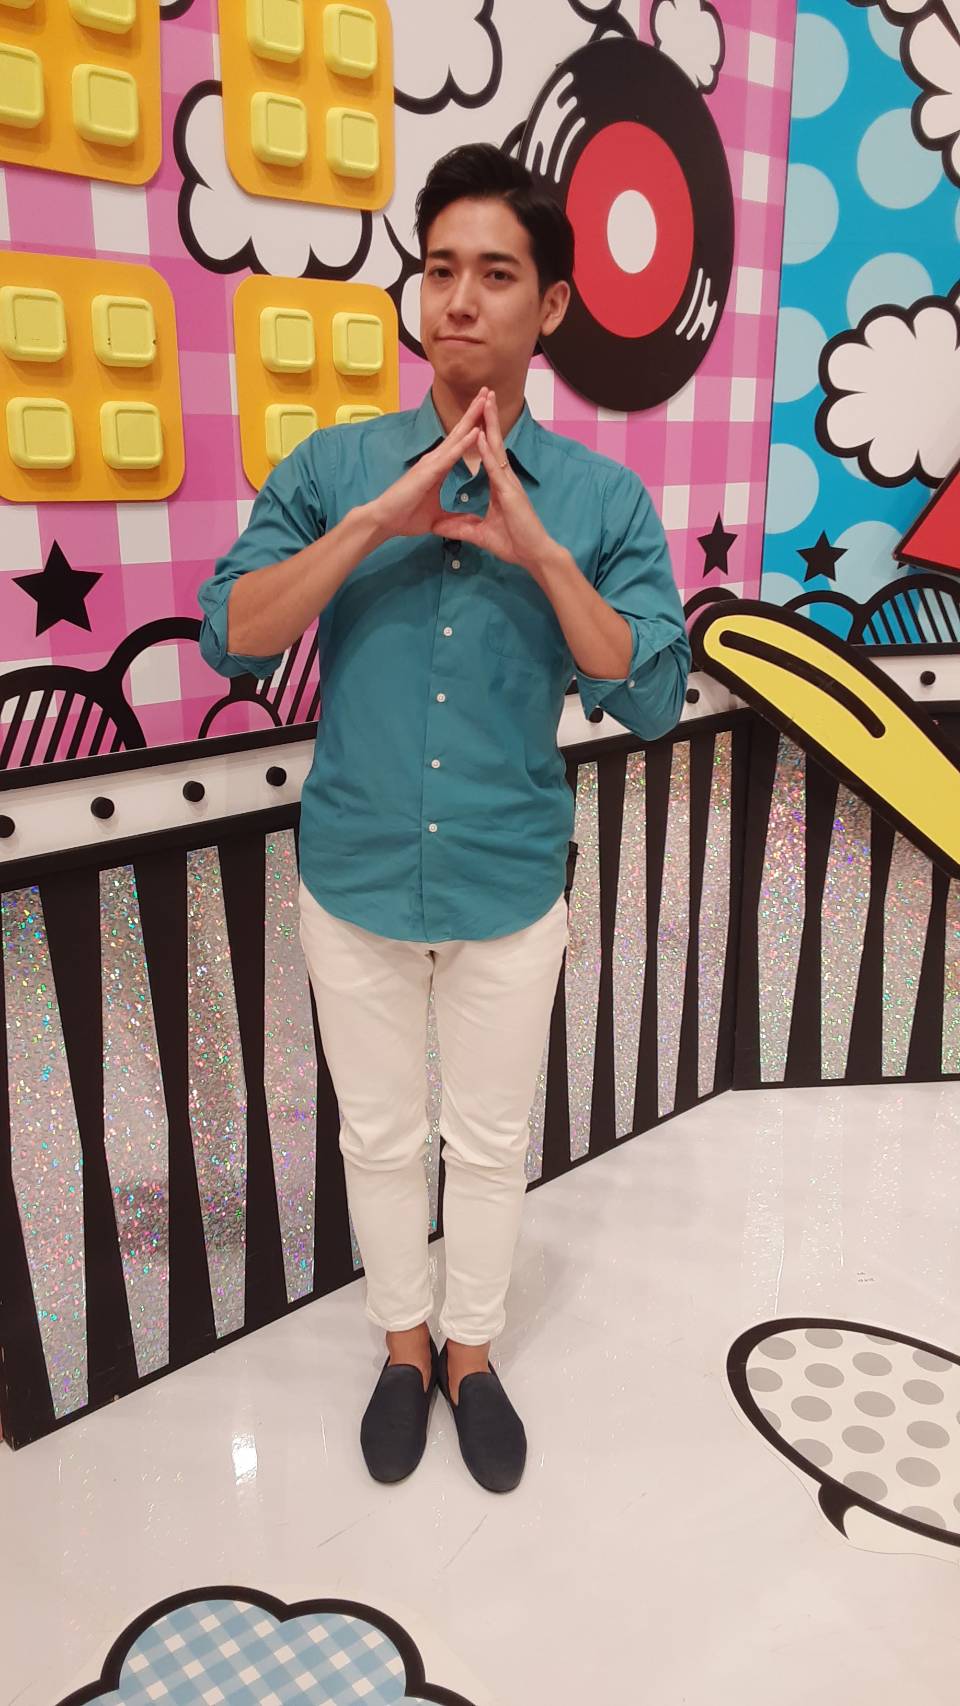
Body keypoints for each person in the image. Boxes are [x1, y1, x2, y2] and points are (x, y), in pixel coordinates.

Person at [197, 142, 691, 1495]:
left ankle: (472, 1351)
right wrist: (376, 522)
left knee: (487, 1141)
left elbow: (649, 691)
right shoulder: (334, 467)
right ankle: (401, 1344)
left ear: (554, 305)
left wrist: (539, 549)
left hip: (510, 876)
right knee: (376, 1137)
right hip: (353, 870)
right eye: (440, 268)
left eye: (498, 273)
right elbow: (235, 631)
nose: (461, 299)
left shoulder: (601, 501)